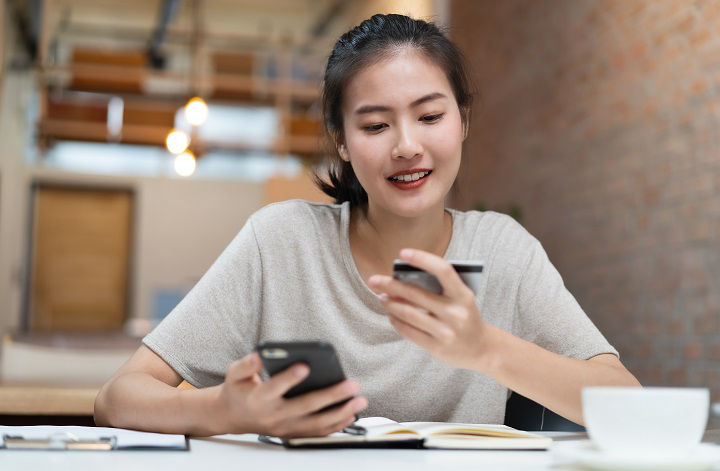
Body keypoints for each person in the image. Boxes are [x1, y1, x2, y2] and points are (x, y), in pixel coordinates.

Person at [94, 14, 639, 438]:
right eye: (376, 125)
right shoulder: (281, 241)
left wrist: (483, 348)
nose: (407, 146)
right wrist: (225, 409)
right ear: (342, 142)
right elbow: (118, 398)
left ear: (464, 120)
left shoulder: (504, 248)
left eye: (430, 116)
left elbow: (624, 400)